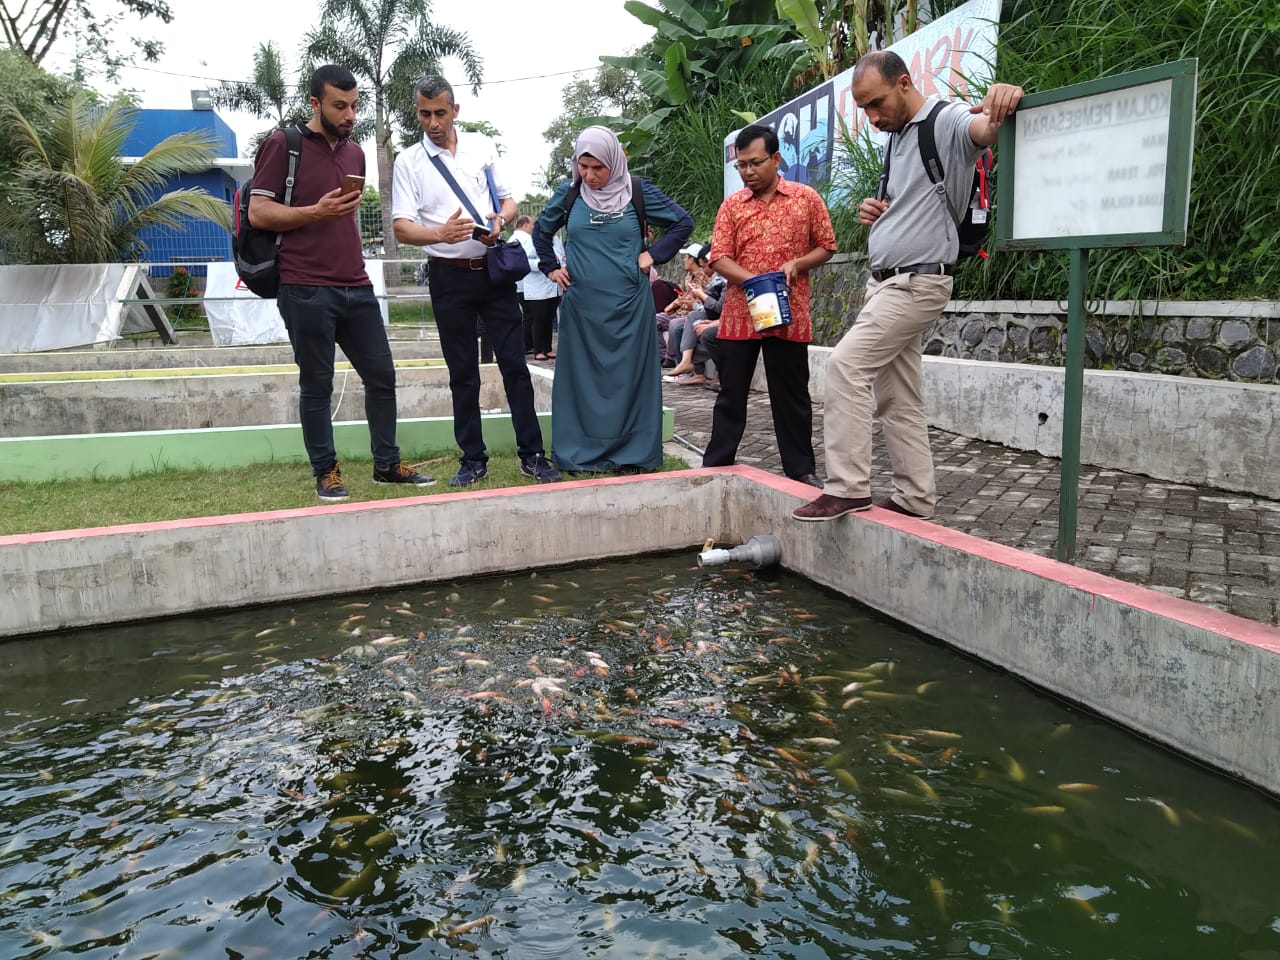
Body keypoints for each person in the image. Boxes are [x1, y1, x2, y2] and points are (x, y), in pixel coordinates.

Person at [794, 52, 1023, 521]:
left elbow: (982, 131)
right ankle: (914, 498)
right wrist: (877, 213)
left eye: (876, 103)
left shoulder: (943, 120)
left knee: (844, 367)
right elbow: (913, 203)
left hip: (915, 284)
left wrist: (1002, 101)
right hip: (888, 283)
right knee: (898, 397)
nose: (872, 117)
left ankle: (848, 486)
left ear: (903, 83)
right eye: (863, 109)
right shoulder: (898, 137)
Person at [249, 64, 434, 501]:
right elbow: (259, 213)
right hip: (304, 286)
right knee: (317, 383)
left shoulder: (355, 153)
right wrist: (315, 211)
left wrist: (330, 214)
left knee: (382, 376)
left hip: (356, 283)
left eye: (354, 105)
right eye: (340, 106)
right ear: (315, 103)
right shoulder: (283, 144)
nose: (350, 114)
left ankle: (387, 465)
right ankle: (326, 471)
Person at [391, 75, 560, 486]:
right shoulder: (408, 161)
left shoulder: (481, 147)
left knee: (515, 366)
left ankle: (532, 455)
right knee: (462, 372)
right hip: (448, 278)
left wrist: (499, 220)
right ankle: (472, 459)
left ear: (455, 111)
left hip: (493, 272)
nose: (432, 122)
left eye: (440, 113)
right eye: (424, 113)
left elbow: (508, 199)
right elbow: (401, 227)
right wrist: (440, 235)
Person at [533, 126, 693, 474]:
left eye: (597, 168)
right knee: (582, 381)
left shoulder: (637, 191)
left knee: (628, 380)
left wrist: (653, 255)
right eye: (582, 166)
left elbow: (682, 222)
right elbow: (541, 231)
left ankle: (633, 453)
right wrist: (550, 268)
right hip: (583, 308)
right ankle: (579, 452)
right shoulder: (570, 193)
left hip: (629, 307)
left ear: (614, 162)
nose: (588, 176)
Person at [701, 123, 836, 489]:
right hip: (739, 315)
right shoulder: (732, 205)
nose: (748, 172)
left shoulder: (806, 199)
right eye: (741, 165)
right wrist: (753, 282)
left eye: (755, 163)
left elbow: (826, 245)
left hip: (789, 314)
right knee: (731, 393)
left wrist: (797, 264)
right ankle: (716, 465)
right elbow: (718, 257)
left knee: (791, 396)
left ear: (776, 159)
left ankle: (800, 470)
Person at [512, 215, 562, 360]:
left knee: (549, 318)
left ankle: (547, 348)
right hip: (537, 286)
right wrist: (543, 264)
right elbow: (526, 260)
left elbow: (561, 255)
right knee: (538, 319)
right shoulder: (531, 240)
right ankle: (538, 349)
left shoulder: (556, 240)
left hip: (553, 285)